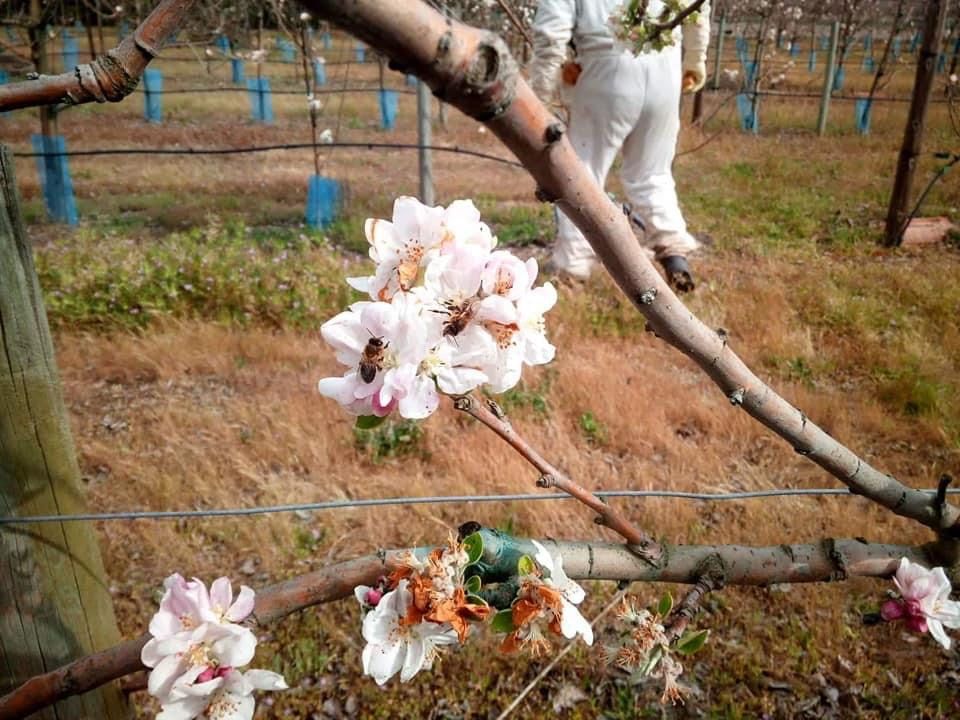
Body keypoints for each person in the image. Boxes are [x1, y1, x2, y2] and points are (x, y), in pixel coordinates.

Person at [529, 0, 710, 291]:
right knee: (652, 172)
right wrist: (695, 61)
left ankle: (572, 268)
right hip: (665, 69)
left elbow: (551, 33)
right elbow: (697, 9)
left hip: (606, 68)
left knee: (580, 173)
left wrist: (540, 92)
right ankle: (674, 253)